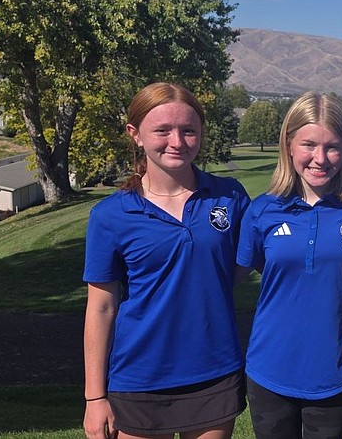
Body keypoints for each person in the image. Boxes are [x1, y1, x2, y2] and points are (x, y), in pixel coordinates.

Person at [83, 82, 250, 439]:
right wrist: (94, 397)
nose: (177, 141)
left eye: (188, 130)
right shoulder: (110, 215)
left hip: (214, 371)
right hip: (139, 376)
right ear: (136, 134)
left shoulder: (230, 197)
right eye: (162, 130)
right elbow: (101, 307)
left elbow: (246, 267)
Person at [236, 92, 342, 439]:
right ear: (288, 144)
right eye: (309, 145)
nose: (320, 158)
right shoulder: (262, 210)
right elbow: (235, 275)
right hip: (269, 366)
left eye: (332, 147)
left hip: (335, 367)